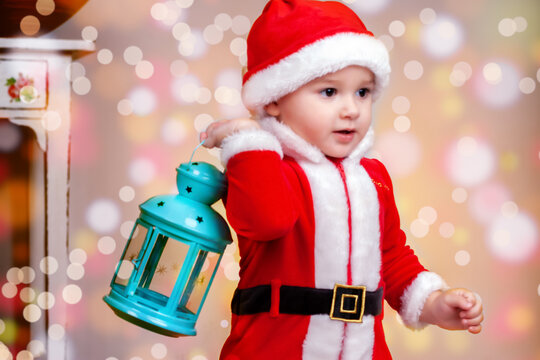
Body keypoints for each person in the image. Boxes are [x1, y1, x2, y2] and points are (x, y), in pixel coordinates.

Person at [201, 0, 484, 359]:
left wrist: (433, 302)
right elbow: (267, 219)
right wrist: (246, 138)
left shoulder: (373, 177)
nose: (351, 109)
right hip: (275, 348)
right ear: (272, 99)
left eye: (362, 92)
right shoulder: (263, 167)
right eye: (330, 92)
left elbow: (391, 258)